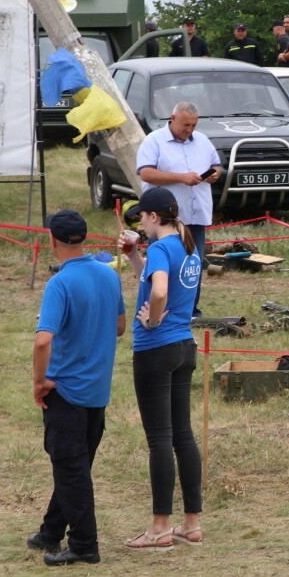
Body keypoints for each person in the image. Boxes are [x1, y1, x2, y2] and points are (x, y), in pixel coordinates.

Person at [28, 209, 126, 567]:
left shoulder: (60, 283)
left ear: (52, 240)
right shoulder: (108, 274)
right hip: (97, 390)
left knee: (70, 468)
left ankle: (84, 545)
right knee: (74, 465)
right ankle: (50, 531)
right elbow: (119, 326)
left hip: (66, 390)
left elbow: (42, 342)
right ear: (83, 239)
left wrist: (39, 383)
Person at [121, 187, 204, 551]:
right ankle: (191, 523)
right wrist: (134, 255)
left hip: (156, 349)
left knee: (159, 440)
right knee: (182, 435)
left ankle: (160, 527)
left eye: (141, 216)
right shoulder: (187, 246)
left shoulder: (161, 248)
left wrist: (153, 321)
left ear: (154, 217)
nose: (139, 222)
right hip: (184, 346)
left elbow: (158, 293)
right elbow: (150, 281)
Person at [136, 102, 221, 315]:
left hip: (197, 214)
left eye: (193, 125)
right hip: (165, 219)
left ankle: (190, 309)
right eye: (185, 125)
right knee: (162, 264)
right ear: (172, 119)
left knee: (193, 265)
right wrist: (181, 178)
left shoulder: (202, 141)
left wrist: (215, 173)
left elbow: (216, 164)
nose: (190, 130)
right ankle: (157, 306)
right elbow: (146, 173)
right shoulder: (153, 140)